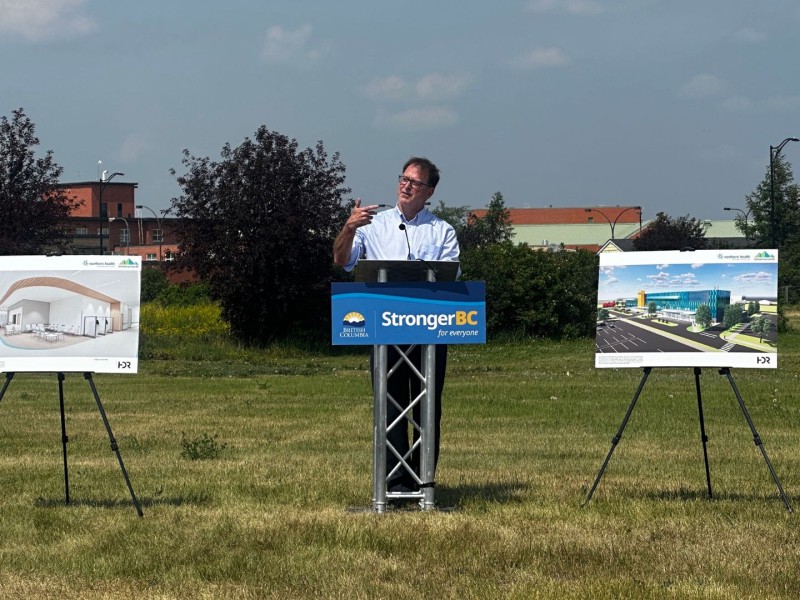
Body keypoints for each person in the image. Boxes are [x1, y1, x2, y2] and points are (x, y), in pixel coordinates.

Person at [333, 157, 460, 495]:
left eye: (414, 182)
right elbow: (343, 261)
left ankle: (423, 479)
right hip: (385, 328)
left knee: (427, 407)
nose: (405, 186)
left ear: (428, 191)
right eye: (403, 179)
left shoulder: (442, 231)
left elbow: (450, 279)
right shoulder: (373, 226)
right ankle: (395, 480)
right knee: (389, 405)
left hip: (427, 332)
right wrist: (348, 228)